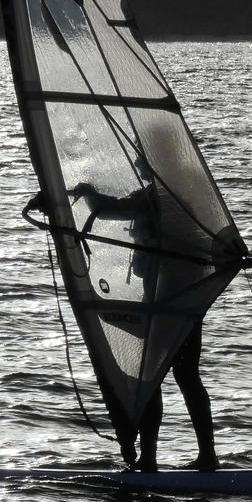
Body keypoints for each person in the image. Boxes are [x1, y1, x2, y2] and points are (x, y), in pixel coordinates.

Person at [67, 172, 220, 473]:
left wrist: (89, 195)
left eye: (142, 158)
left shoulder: (158, 199)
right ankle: (208, 456)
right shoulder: (182, 201)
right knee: (187, 376)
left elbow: (112, 210)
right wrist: (88, 193)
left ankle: (149, 460)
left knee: (149, 377)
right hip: (186, 307)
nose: (138, 163)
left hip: (166, 307)